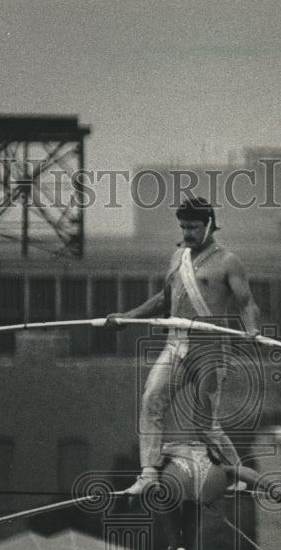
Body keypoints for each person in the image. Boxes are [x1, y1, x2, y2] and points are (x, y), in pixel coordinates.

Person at [106, 197, 261, 495]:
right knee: (152, 398)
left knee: (205, 423)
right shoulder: (178, 258)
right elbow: (165, 299)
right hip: (175, 344)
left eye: (193, 227)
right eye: (183, 227)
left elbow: (246, 302)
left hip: (210, 350)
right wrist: (128, 317)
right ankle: (148, 474)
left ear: (209, 225)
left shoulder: (228, 261)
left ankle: (238, 473)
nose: (187, 233)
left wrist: (252, 330)